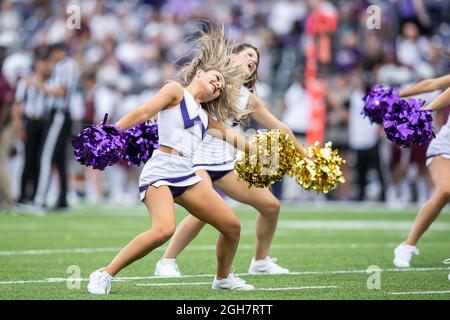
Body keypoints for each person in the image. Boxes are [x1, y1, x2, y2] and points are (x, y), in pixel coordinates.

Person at [87, 27, 256, 294]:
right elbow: (144, 111)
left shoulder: (204, 116)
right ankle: (105, 273)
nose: (217, 86)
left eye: (220, 87)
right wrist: (111, 131)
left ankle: (222, 278)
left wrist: (265, 151)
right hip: (161, 170)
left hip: (187, 174)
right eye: (215, 78)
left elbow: (232, 137)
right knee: (163, 229)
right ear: (199, 72)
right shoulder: (176, 91)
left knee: (232, 227)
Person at [154, 43, 307, 277]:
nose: (252, 63)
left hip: (224, 165)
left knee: (271, 206)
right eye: (248, 56)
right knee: (203, 211)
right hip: (197, 159)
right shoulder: (213, 81)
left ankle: (260, 260)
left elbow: (280, 127)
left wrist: (305, 157)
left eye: (255, 63)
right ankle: (166, 261)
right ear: (232, 57)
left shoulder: (249, 98)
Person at [393, 74, 450, 269]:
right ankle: (407, 245)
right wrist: (422, 110)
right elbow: (432, 85)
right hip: (446, 147)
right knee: (445, 191)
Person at [33, 42, 80, 210]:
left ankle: (39, 198)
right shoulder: (64, 65)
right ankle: (62, 200)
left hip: (59, 113)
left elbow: (62, 91)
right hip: (61, 114)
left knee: (46, 156)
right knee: (60, 160)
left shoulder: (65, 65)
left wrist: (40, 86)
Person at [12, 47, 52, 204]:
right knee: (27, 160)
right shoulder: (26, 82)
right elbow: (17, 104)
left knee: (39, 160)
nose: (44, 66)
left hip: (43, 122)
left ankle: (34, 195)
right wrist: (19, 126)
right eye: (42, 62)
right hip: (30, 122)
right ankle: (22, 195)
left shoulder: (50, 82)